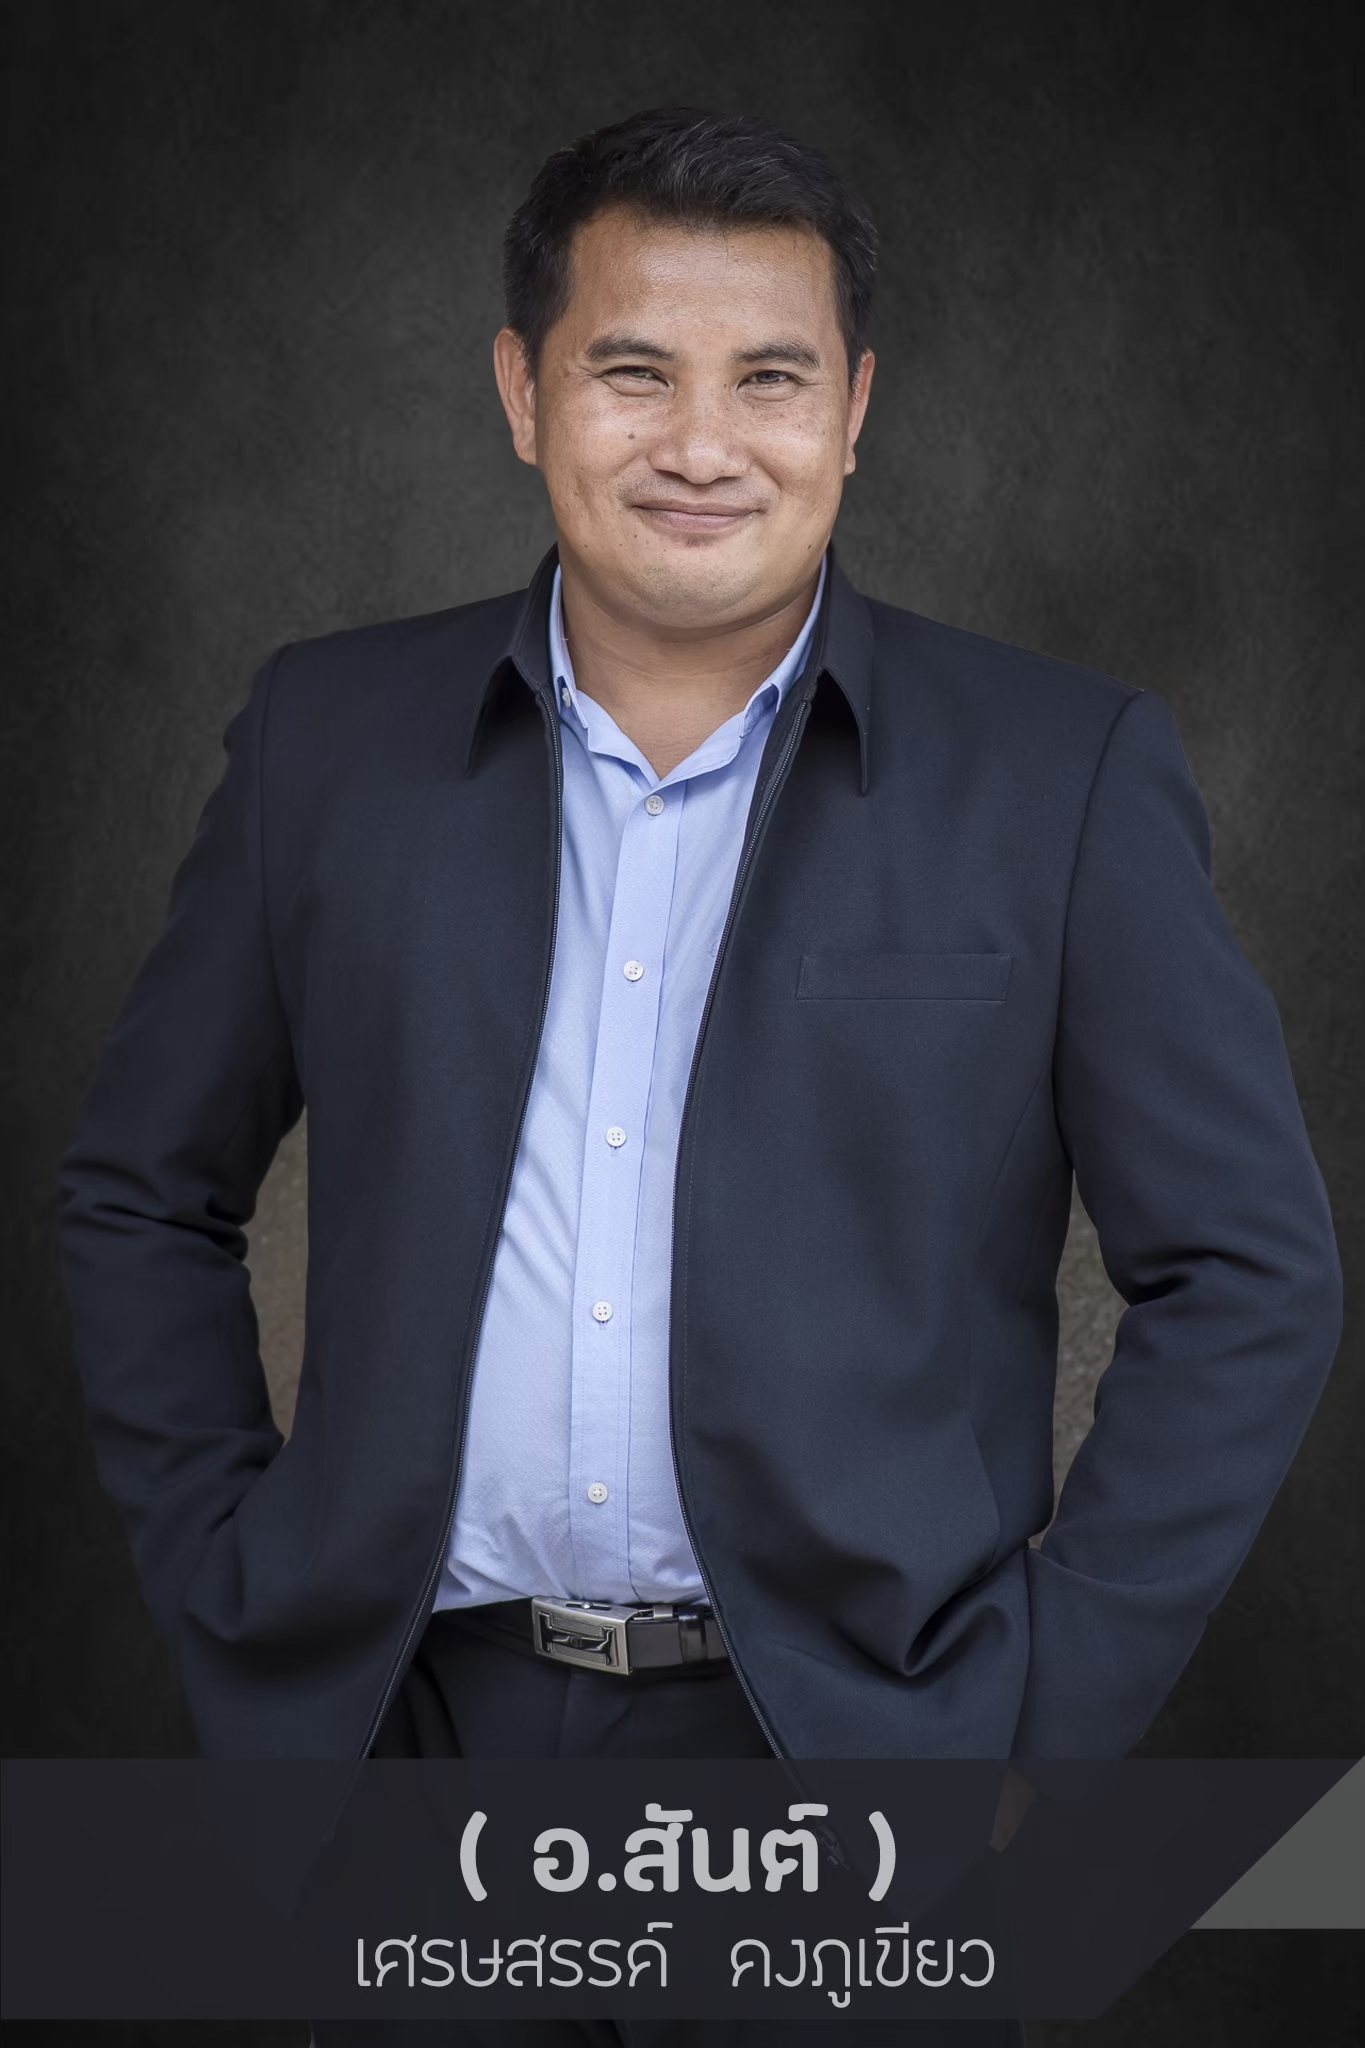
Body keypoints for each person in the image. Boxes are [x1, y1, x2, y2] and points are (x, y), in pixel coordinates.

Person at [59, 108, 1341, 2047]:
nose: (700, 443)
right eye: (632, 371)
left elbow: (1246, 1271)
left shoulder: (1057, 775)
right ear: (522, 391)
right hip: (410, 1753)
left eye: (770, 378)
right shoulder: (327, 741)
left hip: (852, 1767)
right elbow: (141, 1192)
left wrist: (1034, 1721)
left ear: (855, 410)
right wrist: (233, 1583)